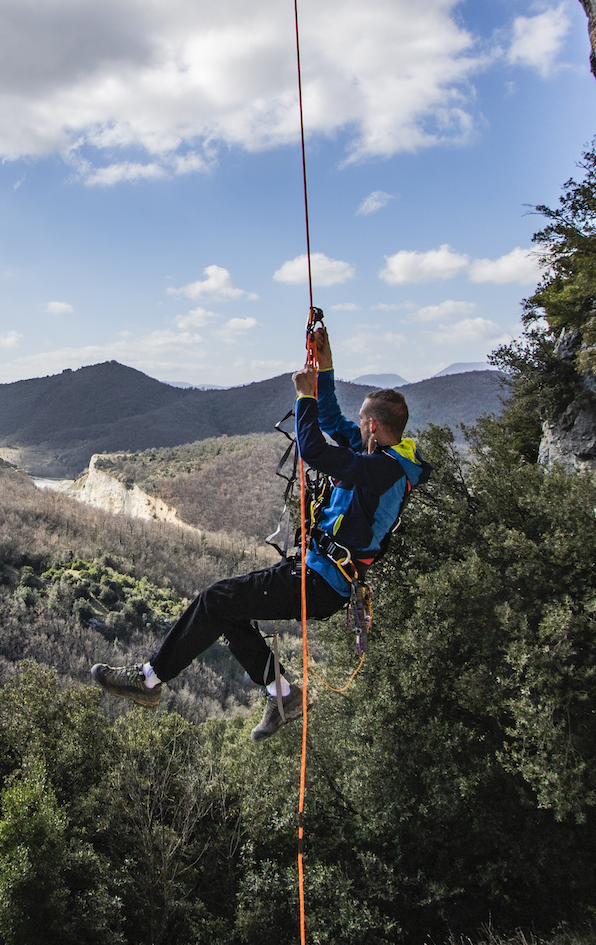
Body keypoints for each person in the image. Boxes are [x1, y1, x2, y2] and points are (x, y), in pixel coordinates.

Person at [92, 317, 423, 739]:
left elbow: (317, 450)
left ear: (374, 426)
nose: (357, 428)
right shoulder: (378, 451)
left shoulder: (384, 471)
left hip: (321, 581)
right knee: (229, 611)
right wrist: (325, 366)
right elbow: (335, 417)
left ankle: (149, 680)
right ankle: (282, 692)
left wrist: (303, 396)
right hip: (319, 573)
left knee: (215, 599)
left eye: (364, 422)